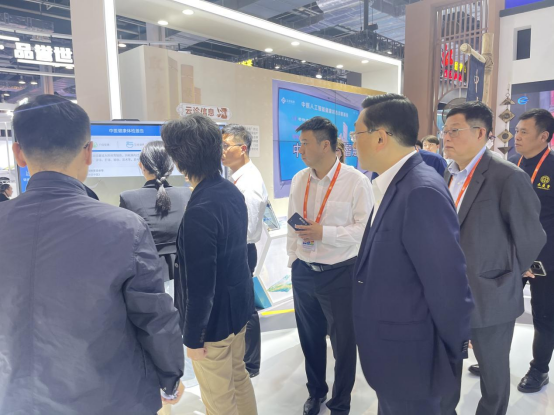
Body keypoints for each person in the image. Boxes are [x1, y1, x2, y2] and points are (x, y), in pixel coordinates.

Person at [0, 95, 184, 414]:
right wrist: (170, 376)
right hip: (109, 398)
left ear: (18, 153)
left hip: (14, 398)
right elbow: (154, 316)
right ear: (88, 152)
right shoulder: (124, 227)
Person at [352, 94, 473, 415]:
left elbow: (448, 284)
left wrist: (449, 353)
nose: (353, 143)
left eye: (356, 133)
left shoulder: (419, 191)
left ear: (380, 137)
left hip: (413, 360)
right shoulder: (392, 184)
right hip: (395, 354)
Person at [440, 101, 546, 415]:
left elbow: (531, 236)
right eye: (445, 130)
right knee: (446, 366)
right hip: (447, 291)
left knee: (493, 371)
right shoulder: (448, 173)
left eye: (454, 130)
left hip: (491, 291)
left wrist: (507, 273)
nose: (446, 136)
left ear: (480, 133)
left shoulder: (507, 176)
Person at [162, 114, 257, 415]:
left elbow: (201, 286)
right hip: (237, 311)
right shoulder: (229, 191)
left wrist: (193, 338)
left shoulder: (200, 208)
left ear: (179, 159)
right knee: (239, 379)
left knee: (218, 401)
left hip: (213, 326)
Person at [287, 116, 373, 415]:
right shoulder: (300, 179)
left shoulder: (356, 181)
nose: (300, 149)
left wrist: (324, 233)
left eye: (305, 143)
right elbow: (293, 224)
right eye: (299, 144)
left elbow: (365, 230)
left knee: (343, 343)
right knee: (309, 338)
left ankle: (340, 401)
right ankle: (316, 392)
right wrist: (293, 259)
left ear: (326, 145)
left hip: (340, 274)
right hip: (304, 271)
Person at [507, 109, 554, 393]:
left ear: (544, 136)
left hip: (544, 259)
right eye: (517, 130)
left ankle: (539, 370)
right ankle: (493, 359)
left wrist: (541, 255)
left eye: (524, 131)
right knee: (501, 310)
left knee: (544, 315)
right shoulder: (510, 164)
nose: (517, 136)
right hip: (510, 255)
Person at [222, 124, 268, 379]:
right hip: (236, 249)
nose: (221, 152)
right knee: (240, 305)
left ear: (242, 149)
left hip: (240, 249)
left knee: (246, 308)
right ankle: (245, 360)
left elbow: (247, 228)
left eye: (225, 146)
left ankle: (250, 363)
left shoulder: (248, 182)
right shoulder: (237, 177)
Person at [120, 141, 192, 301]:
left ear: (141, 166)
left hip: (147, 276)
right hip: (186, 274)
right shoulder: (187, 194)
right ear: (171, 166)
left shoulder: (128, 198)